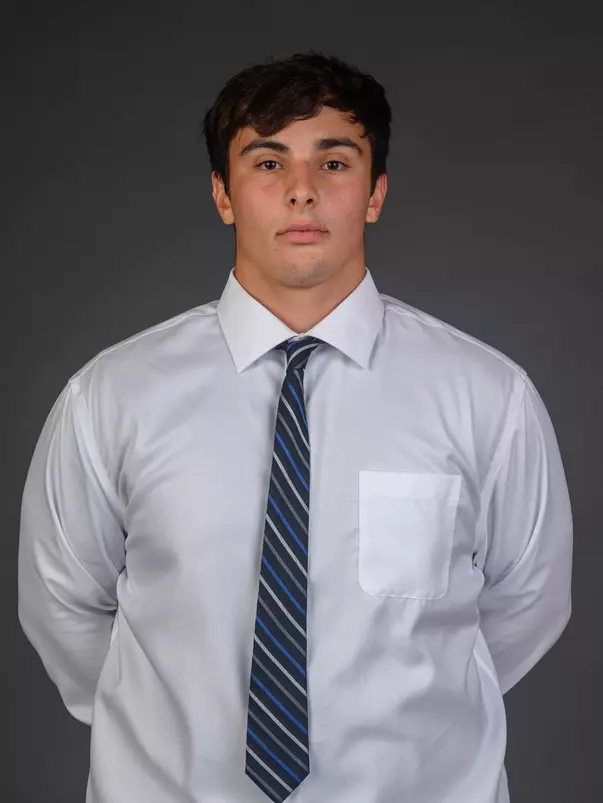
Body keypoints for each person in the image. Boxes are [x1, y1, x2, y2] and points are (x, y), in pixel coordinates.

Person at [18, 51, 573, 803]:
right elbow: (62, 607)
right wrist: (160, 727)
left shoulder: (485, 396)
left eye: (335, 161)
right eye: (268, 161)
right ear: (222, 193)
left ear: (375, 192)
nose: (303, 191)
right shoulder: (111, 396)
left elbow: (526, 603)